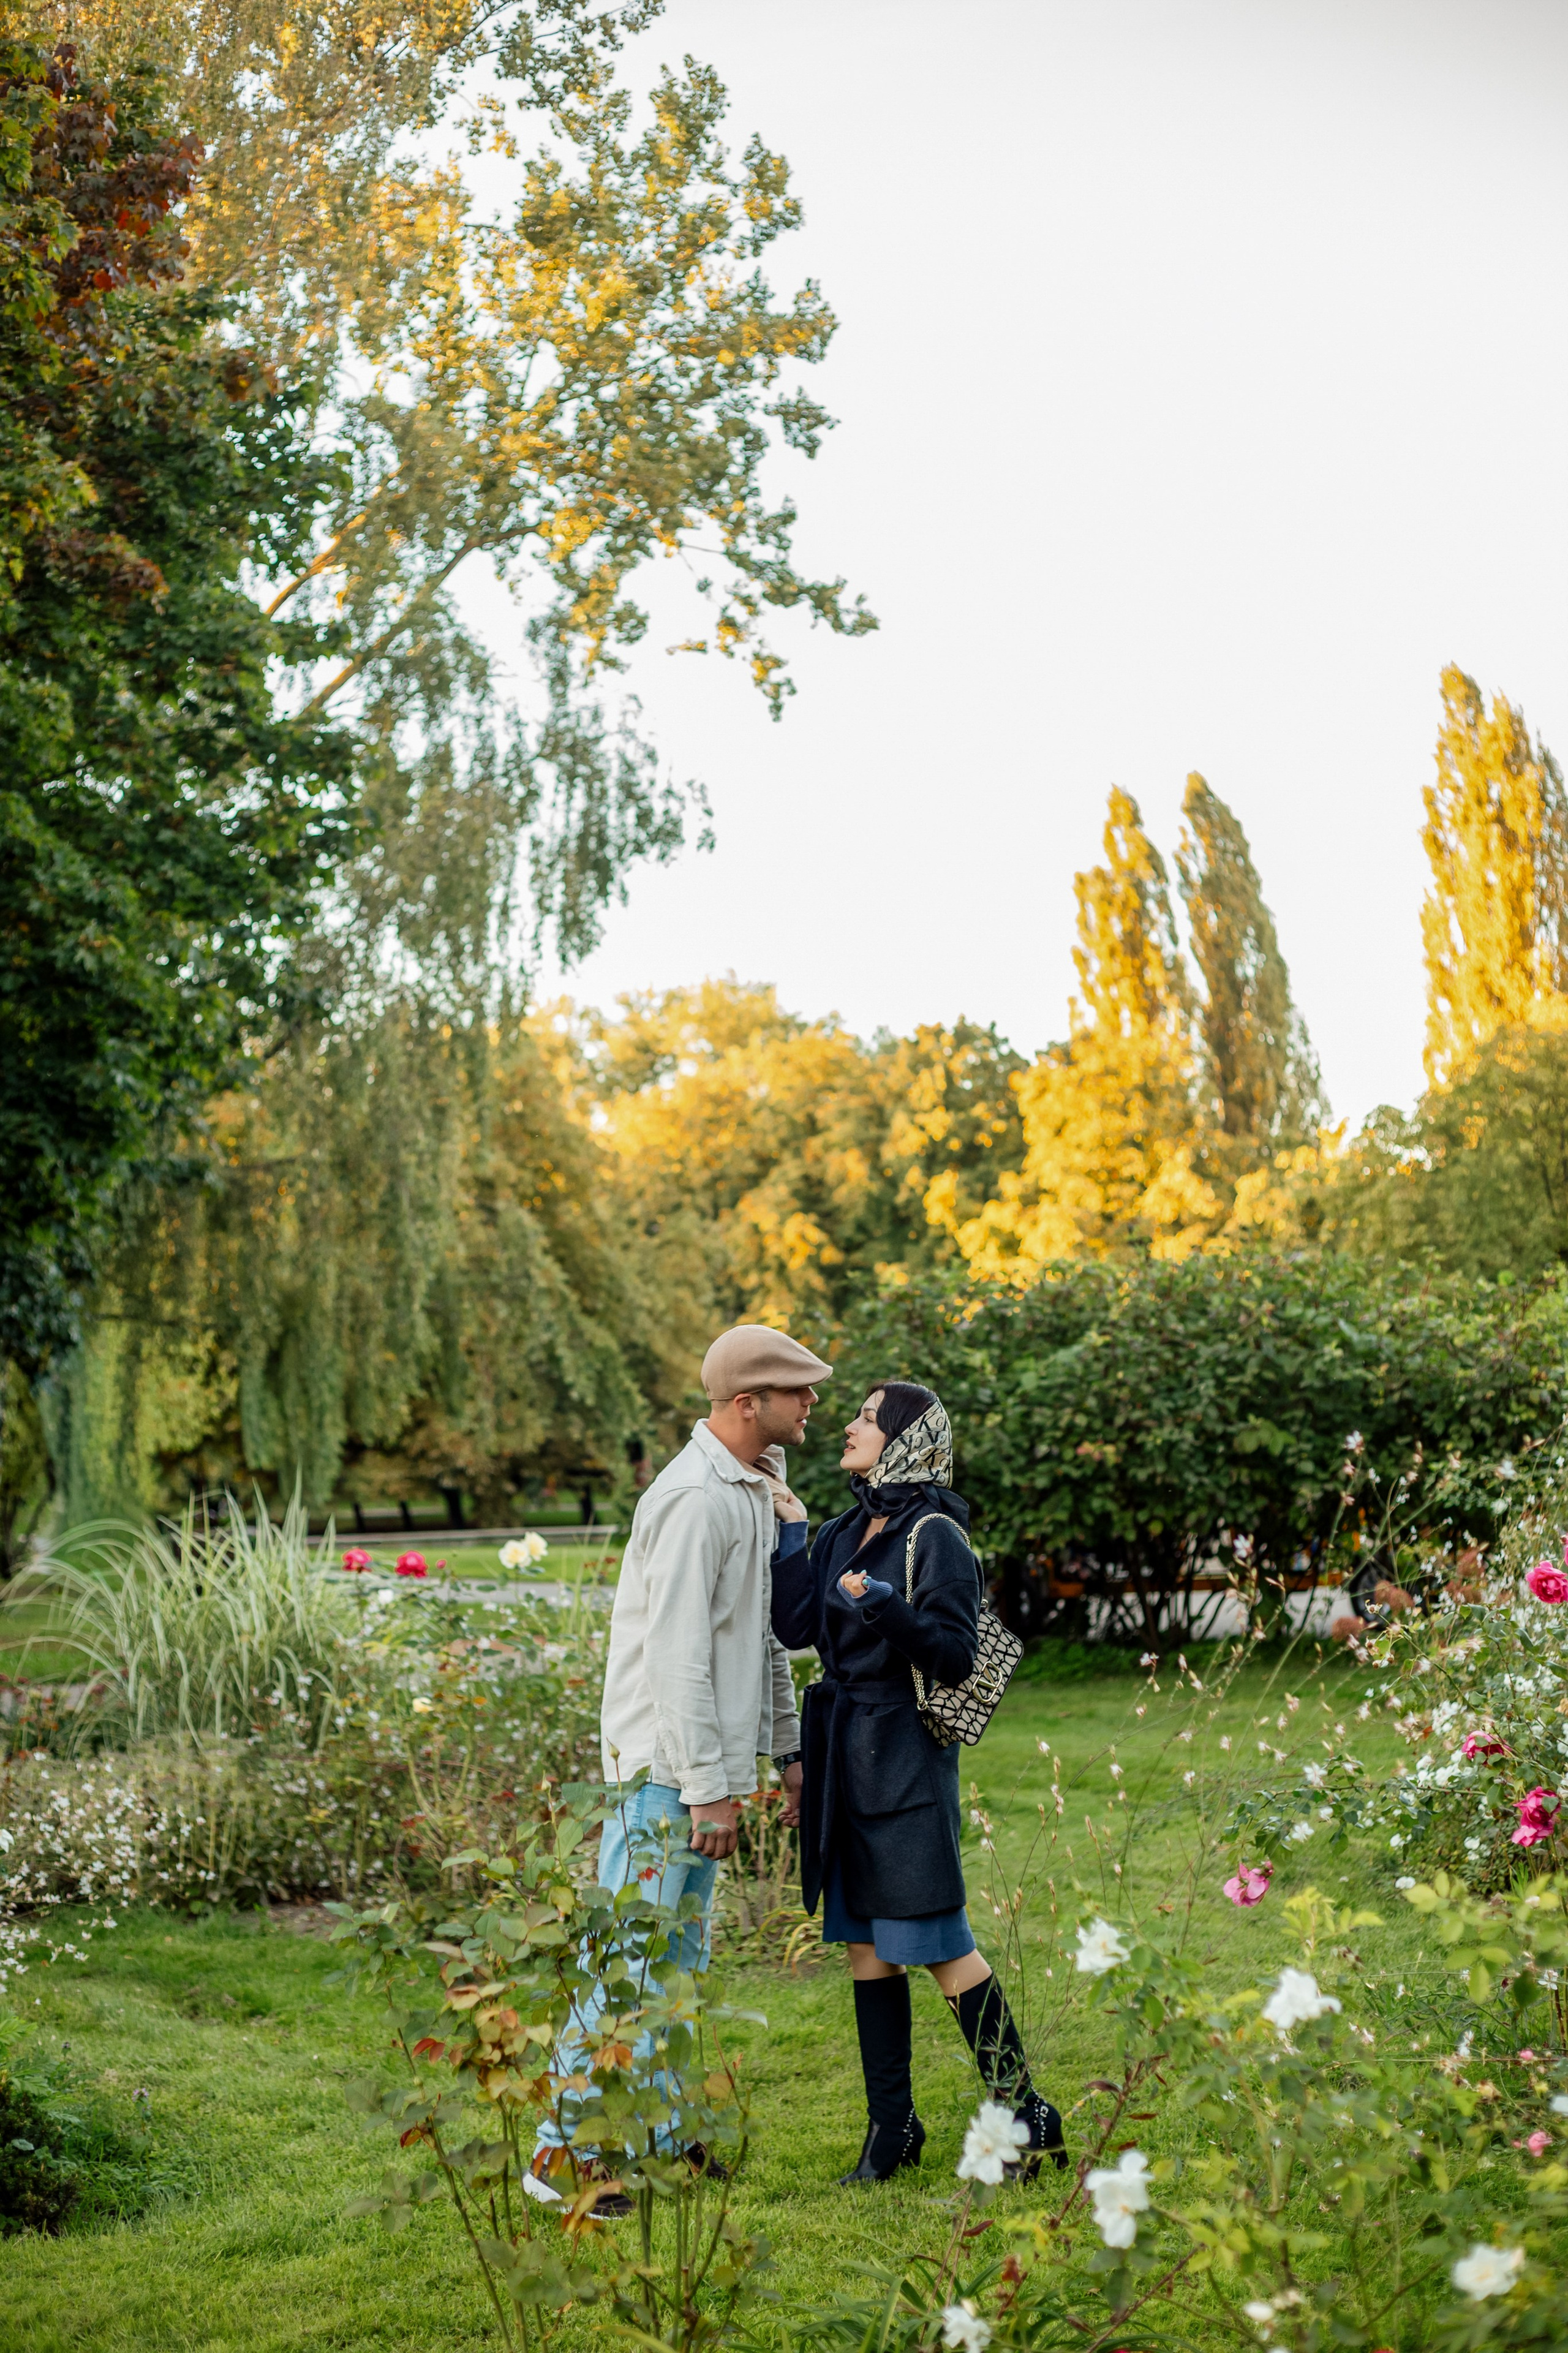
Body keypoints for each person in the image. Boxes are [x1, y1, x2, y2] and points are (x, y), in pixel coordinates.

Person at [535, 1323, 828, 2195]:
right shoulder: (695, 1497)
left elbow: (761, 1638)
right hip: (665, 1772)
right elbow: (678, 1658)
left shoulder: (753, 1486)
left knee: (674, 1965)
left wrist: (787, 1748)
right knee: (628, 1963)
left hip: (701, 1772)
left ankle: (660, 2139)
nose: (813, 1402)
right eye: (798, 1390)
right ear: (749, 1404)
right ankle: (563, 2152)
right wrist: (706, 1788)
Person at [771, 1380, 1066, 2186]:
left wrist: (891, 1609)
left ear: (906, 1438)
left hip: (903, 1756)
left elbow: (955, 1655)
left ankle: (1025, 2113)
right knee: (866, 1946)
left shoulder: (936, 1534)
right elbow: (796, 1627)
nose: (849, 1427)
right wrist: (793, 1533)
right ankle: (891, 2128)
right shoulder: (838, 1529)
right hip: (841, 1754)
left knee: (940, 1946)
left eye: (868, 1417)